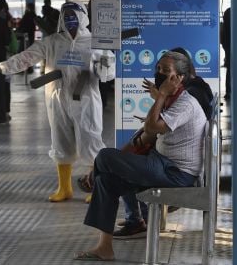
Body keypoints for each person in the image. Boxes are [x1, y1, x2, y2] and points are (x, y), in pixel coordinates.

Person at [76, 51, 207, 261]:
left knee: (105, 156)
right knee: (107, 180)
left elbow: (152, 127)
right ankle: (104, 247)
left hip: (176, 174)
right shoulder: (172, 100)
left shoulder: (185, 103)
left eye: (166, 71)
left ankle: (94, 180)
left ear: (179, 78)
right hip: (162, 164)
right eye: (158, 69)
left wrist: (161, 95)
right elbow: (147, 133)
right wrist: (161, 97)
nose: (159, 74)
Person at [0, 1, 115, 202]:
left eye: (74, 16)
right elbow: (27, 57)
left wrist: (104, 66)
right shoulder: (52, 42)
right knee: (60, 141)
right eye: (66, 16)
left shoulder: (96, 43)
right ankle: (64, 188)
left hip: (86, 100)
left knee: (91, 141)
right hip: (57, 98)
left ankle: (96, 188)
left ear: (83, 18)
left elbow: (108, 73)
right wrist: (3, 67)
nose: (70, 20)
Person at [220, 8, 231, 99]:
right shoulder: (231, 11)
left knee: (230, 69)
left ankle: (228, 92)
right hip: (231, 44)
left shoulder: (228, 11)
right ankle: (229, 91)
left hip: (227, 44)